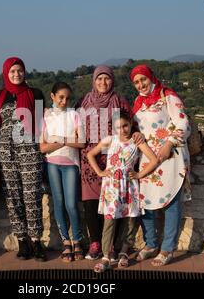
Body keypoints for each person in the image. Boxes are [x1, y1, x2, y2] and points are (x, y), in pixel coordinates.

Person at [75, 65, 143, 260]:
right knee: (91, 202)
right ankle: (96, 243)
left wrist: (137, 133)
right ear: (93, 81)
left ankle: (111, 245)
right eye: (99, 79)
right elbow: (75, 125)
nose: (103, 83)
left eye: (107, 79)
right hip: (90, 158)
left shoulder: (120, 102)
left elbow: (132, 124)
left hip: (115, 160)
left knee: (116, 203)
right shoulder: (84, 102)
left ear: (113, 80)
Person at [131, 64, 191, 266]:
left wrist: (169, 143)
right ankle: (150, 244)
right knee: (145, 202)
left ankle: (167, 248)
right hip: (147, 159)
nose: (140, 84)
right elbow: (134, 127)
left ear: (151, 77)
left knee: (171, 202)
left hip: (170, 156)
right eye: (136, 82)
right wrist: (136, 133)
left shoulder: (168, 96)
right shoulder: (138, 102)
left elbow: (183, 123)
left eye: (143, 79)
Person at [87, 111, 158, 272]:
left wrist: (139, 174)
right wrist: (100, 171)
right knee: (109, 221)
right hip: (111, 188)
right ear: (114, 128)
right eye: (118, 127)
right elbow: (90, 154)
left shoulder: (136, 141)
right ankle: (106, 257)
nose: (123, 130)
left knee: (130, 220)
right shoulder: (109, 140)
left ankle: (124, 251)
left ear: (130, 123)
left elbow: (154, 160)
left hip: (129, 186)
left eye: (125, 125)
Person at [0, 57, 46, 261]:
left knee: (32, 196)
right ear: (6, 73)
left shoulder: (36, 94)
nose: (17, 74)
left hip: (30, 151)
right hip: (7, 153)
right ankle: (22, 241)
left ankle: (36, 241)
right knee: (13, 197)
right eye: (13, 71)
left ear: (25, 72)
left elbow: (41, 126)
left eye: (20, 71)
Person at [40, 82, 85, 262]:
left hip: (70, 164)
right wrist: (67, 140)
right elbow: (42, 147)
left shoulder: (74, 115)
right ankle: (66, 242)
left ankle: (78, 241)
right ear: (52, 96)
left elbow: (81, 142)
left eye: (67, 98)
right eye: (60, 97)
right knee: (58, 203)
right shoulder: (45, 116)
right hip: (52, 164)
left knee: (71, 204)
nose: (64, 101)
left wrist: (58, 140)